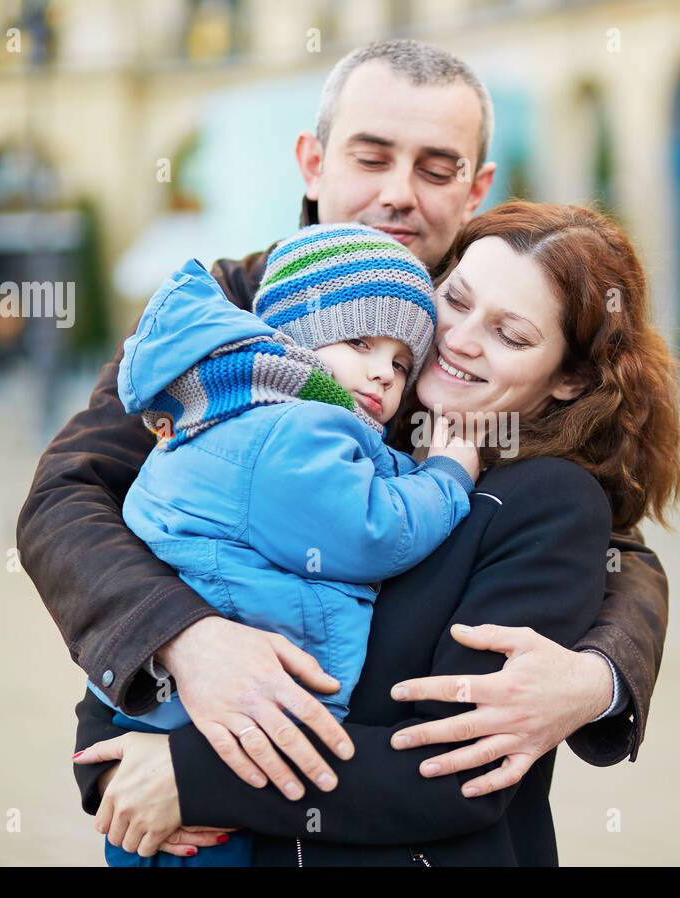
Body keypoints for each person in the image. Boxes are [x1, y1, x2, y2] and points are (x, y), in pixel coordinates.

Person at [18, 39, 670, 829]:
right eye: (372, 157)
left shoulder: (484, 339)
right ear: (312, 162)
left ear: (476, 189)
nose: (399, 194)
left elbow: (601, 534)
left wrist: (599, 676)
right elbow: (70, 501)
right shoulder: (225, 320)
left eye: (436, 168)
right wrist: (182, 644)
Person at [73, 201, 680, 865]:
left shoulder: (548, 502)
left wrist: (190, 778)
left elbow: (457, 773)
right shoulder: (336, 419)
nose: (459, 339)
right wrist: (111, 764)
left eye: (511, 335)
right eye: (456, 299)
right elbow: (161, 568)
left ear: (569, 379)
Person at [92, 224, 479, 865]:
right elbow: (371, 530)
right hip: (208, 739)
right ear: (296, 335)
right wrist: (449, 475)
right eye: (360, 341)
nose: (383, 374)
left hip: (192, 728)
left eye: (401, 362)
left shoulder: (254, 409)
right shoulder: (291, 431)